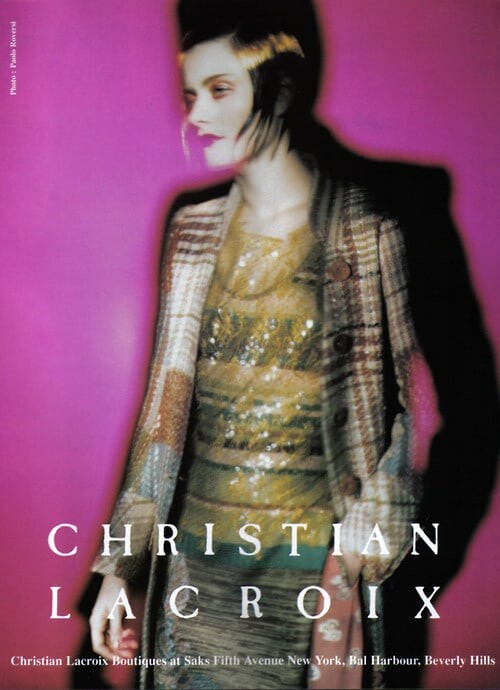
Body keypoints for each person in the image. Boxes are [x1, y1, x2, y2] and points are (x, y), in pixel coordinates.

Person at [88, 2, 498, 689]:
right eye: (191, 94)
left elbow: (424, 410)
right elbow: (163, 416)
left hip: (309, 586)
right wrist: (119, 569)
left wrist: (367, 540)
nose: (196, 114)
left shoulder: (368, 229)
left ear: (278, 93)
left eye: (220, 91)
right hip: (195, 578)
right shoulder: (191, 233)